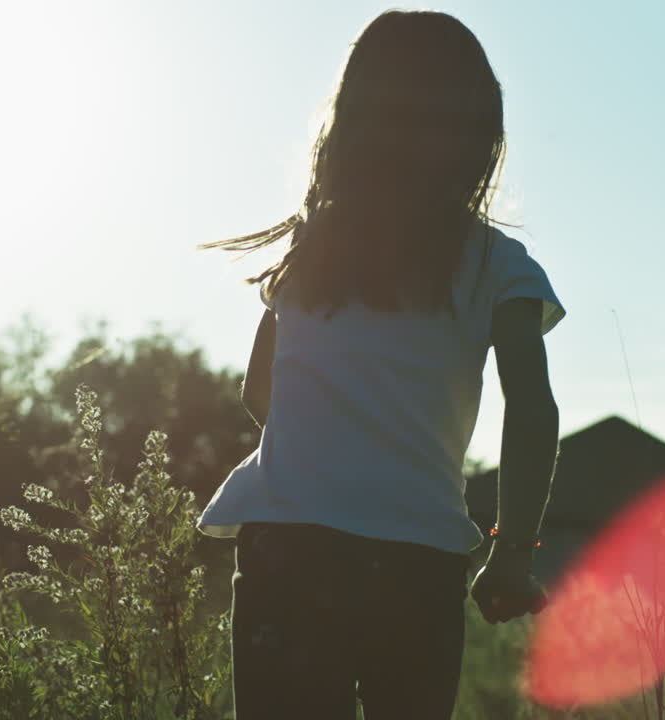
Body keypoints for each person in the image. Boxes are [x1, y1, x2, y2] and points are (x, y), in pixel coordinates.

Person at [196, 9, 563, 719]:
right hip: (415, 560)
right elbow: (532, 408)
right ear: (479, 133)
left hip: (288, 548)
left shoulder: (313, 250)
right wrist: (513, 552)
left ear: (351, 122)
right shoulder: (500, 266)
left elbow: (259, 391)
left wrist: (329, 454)